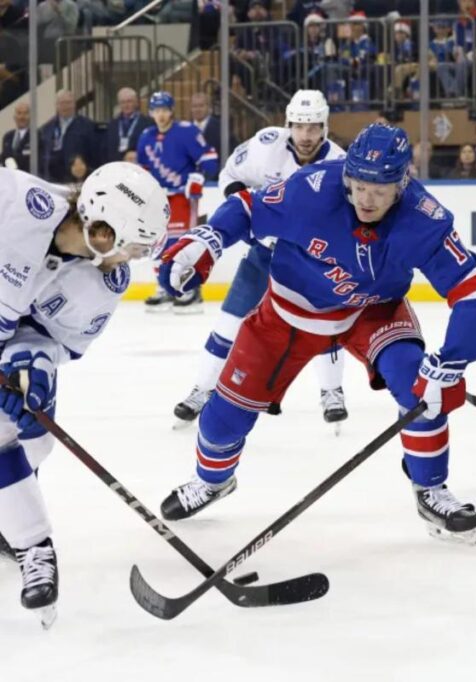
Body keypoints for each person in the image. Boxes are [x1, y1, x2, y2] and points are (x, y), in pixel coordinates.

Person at [155, 124, 476, 545]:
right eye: (359, 187)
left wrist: (450, 362)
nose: (366, 200)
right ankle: (212, 481)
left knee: (419, 385)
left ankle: (429, 488)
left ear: (402, 184)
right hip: (288, 314)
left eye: (379, 191)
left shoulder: (423, 217)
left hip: (372, 311)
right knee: (223, 420)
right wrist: (209, 237)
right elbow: (248, 208)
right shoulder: (312, 189)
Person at [0, 161, 168, 626]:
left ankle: (15, 521)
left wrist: (33, 360)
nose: (133, 258)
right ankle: (33, 545)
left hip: (9, 341)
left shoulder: (103, 282)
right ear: (103, 231)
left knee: (34, 438)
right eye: (134, 246)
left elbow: (57, 340)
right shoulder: (15, 204)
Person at [172, 90, 351, 429]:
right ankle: (202, 389)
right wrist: (244, 214)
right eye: (300, 126)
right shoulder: (267, 145)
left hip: (311, 263)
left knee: (326, 327)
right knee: (228, 322)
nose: (306, 135)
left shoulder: (340, 164)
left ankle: (332, 391)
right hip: (264, 254)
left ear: (325, 127)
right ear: (288, 124)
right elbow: (229, 176)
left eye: (314, 127)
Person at [136, 91, 219, 313]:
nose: (161, 115)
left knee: (182, 244)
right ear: (151, 112)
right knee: (158, 244)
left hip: (182, 197)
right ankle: (165, 287)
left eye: (165, 110)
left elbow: (210, 160)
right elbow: (143, 168)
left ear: (172, 110)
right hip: (158, 200)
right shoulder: (146, 136)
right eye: (156, 110)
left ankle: (190, 290)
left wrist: (199, 177)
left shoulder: (186, 132)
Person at [40, 90, 96, 184]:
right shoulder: (47, 128)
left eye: (68, 103)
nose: (65, 106)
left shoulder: (87, 125)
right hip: (52, 180)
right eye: (62, 103)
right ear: (56, 105)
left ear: (74, 104)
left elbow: (94, 154)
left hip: (78, 179)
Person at [102, 87, 153, 164]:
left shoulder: (148, 123)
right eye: (123, 102)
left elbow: (150, 148)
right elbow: (107, 150)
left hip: (137, 165)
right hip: (116, 165)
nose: (126, 105)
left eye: (129, 101)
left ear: (136, 102)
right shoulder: (112, 125)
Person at [1, 100, 30, 172]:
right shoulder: (7, 137)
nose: (22, 117)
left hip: (27, 177)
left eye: (25, 113)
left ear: (30, 116)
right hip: (9, 177)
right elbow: (4, 157)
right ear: (14, 117)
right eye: (19, 113)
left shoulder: (36, 136)